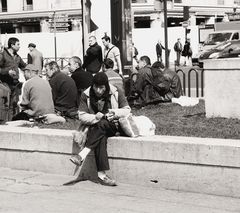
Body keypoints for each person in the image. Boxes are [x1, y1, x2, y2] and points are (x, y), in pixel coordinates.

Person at [70, 72, 131, 186]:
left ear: (106, 86)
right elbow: (81, 115)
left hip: (113, 125)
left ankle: (82, 155)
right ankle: (102, 176)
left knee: (102, 124)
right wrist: (95, 117)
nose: (98, 91)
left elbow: (127, 109)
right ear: (92, 85)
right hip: (96, 127)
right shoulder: (86, 94)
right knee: (100, 136)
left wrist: (113, 112)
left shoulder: (115, 91)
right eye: (96, 87)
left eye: (101, 88)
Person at [0, 37, 27, 119]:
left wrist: (33, 71)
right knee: (6, 105)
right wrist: (7, 72)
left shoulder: (17, 57)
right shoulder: (3, 55)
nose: (19, 46)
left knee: (14, 105)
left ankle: (11, 122)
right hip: (5, 84)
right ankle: (4, 123)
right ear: (12, 45)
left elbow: (24, 66)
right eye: (18, 44)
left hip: (15, 84)